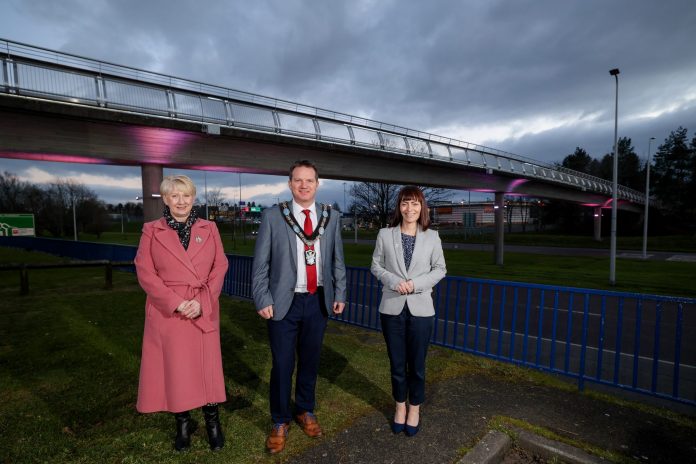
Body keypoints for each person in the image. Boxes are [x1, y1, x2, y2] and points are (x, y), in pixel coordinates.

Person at [252, 160, 346, 454]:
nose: (304, 185)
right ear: (289, 184)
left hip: (317, 300)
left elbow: (337, 260)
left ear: (318, 184)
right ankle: (280, 419)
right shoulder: (272, 216)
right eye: (298, 180)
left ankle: (305, 409)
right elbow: (260, 265)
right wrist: (262, 297)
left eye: (309, 180)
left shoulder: (331, 216)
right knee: (282, 364)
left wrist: (340, 291)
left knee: (310, 361)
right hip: (284, 302)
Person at [134, 174, 229, 452]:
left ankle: (213, 424)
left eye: (186, 195)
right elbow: (145, 272)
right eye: (174, 196)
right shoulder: (151, 230)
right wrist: (175, 302)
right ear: (165, 199)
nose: (181, 201)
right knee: (177, 371)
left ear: (194, 198)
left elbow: (219, 266)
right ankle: (183, 425)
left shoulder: (210, 228)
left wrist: (202, 301)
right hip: (170, 312)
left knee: (207, 368)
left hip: (203, 308)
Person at [370, 185, 446, 437]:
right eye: (405, 203)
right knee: (397, 364)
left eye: (415, 203)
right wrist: (394, 282)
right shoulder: (384, 234)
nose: (409, 208)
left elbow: (440, 269)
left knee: (417, 365)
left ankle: (415, 409)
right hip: (391, 308)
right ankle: (400, 407)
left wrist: (414, 285)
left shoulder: (432, 237)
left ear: (422, 207)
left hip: (421, 309)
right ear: (399, 207)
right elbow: (376, 266)